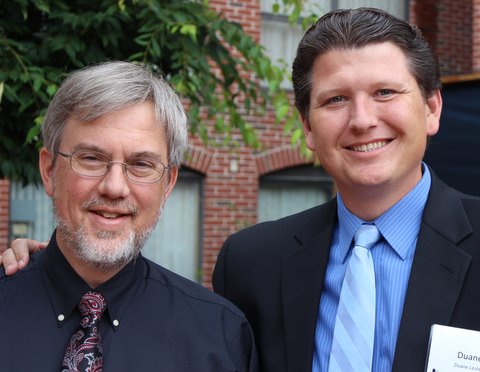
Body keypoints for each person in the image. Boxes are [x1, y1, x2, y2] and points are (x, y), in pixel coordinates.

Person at [4, 7, 480, 372]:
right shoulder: (253, 265)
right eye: (335, 99)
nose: (362, 119)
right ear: (308, 127)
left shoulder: (213, 323)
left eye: (385, 92)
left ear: (433, 108)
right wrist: (40, 273)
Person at [0, 61, 258, 371]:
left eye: (141, 165)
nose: (115, 187)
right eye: (92, 159)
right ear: (49, 170)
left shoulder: (220, 336)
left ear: (169, 183)